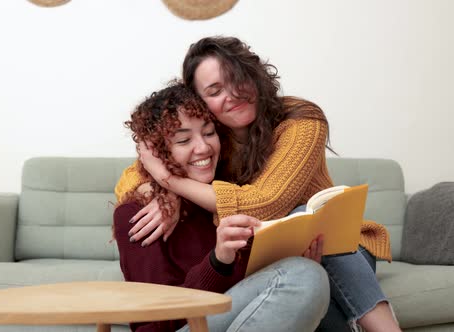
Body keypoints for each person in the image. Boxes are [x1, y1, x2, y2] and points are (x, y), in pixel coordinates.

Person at [115, 37, 401, 332]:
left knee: (309, 228)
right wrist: (166, 194)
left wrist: (171, 182)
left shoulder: (300, 121)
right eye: (214, 91)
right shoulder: (213, 141)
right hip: (274, 261)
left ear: (255, 76)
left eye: (237, 79)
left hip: (335, 247)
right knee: (304, 283)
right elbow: (135, 177)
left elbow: (266, 202)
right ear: (201, 104)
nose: (232, 94)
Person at [114, 81, 330, 332]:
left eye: (208, 133)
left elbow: (250, 297)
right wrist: (218, 262)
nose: (204, 147)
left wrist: (289, 258)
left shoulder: (230, 194)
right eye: (184, 140)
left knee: (308, 275)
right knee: (303, 276)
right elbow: (151, 326)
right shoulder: (137, 213)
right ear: (158, 153)